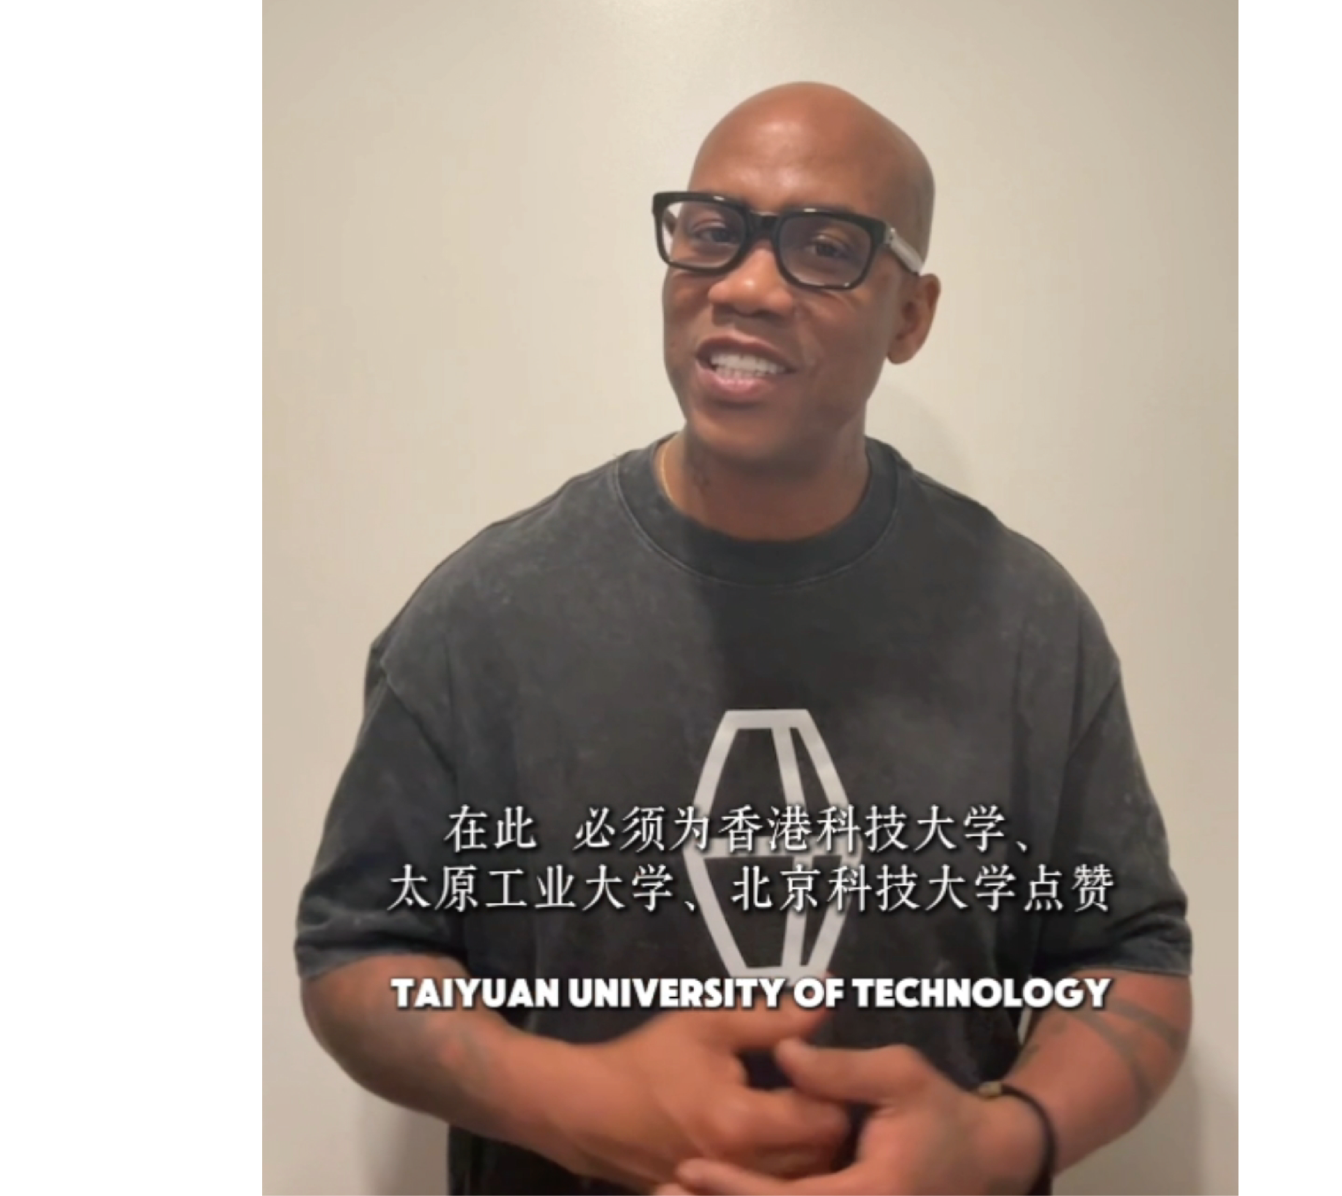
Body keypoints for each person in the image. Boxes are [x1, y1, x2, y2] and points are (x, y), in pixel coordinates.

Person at [295, 82, 1193, 1196]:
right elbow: (359, 951)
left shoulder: (1027, 622)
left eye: (826, 247)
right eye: (713, 231)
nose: (747, 285)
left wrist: (1002, 1145)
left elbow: (1127, 955)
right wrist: (569, 1102)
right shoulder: (486, 613)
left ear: (910, 316)